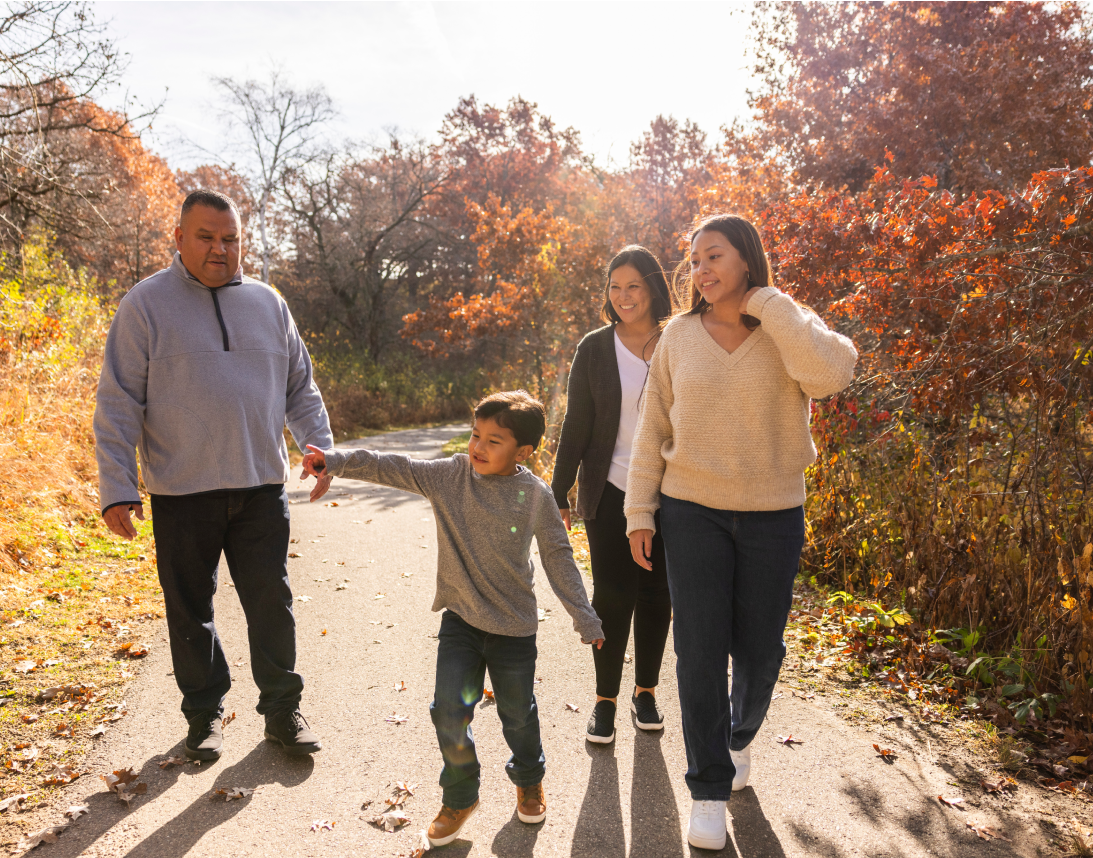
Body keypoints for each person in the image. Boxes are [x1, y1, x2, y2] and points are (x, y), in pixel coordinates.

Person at [625, 214, 858, 851]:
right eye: (693, 260)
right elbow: (653, 431)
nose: (699, 270)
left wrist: (769, 306)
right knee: (699, 649)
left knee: (760, 651)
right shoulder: (676, 337)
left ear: (747, 261)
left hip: (773, 511)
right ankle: (707, 788)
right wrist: (639, 512)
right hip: (691, 509)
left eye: (714, 256)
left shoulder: (786, 327)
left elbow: (835, 374)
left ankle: (739, 732)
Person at [300, 391, 604, 848]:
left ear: (523, 452)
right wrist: (336, 461)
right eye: (475, 435)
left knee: (518, 715)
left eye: (493, 441)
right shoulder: (450, 476)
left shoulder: (534, 495)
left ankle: (528, 778)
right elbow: (393, 466)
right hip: (461, 622)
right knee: (448, 711)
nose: (478, 447)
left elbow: (559, 556)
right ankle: (460, 796)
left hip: (513, 630)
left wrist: (585, 617)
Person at [94, 190, 333, 761]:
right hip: (181, 491)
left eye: (230, 238)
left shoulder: (269, 304)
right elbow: (118, 403)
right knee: (189, 610)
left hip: (259, 488)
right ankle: (204, 716)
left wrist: (318, 446)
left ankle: (281, 710)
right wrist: (118, 487)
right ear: (179, 238)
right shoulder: (145, 306)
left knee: (271, 603)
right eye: (206, 236)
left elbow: (300, 385)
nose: (219, 249)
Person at [551, 245, 676, 744]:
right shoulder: (595, 347)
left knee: (656, 595)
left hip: (672, 492)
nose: (623, 297)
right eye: (615, 287)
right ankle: (605, 700)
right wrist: (559, 490)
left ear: (653, 289)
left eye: (634, 287)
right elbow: (576, 424)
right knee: (610, 595)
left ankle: (645, 692)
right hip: (608, 490)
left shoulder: (678, 339)